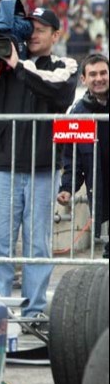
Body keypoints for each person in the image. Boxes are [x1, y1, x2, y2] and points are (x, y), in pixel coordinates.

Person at [0, 7, 78, 317]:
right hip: (2, 166)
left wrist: (19, 66)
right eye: (29, 27)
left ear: (55, 35)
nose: (32, 33)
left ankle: (33, 313)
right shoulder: (2, 66)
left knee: (37, 247)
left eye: (41, 29)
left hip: (42, 170)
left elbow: (59, 92)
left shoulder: (64, 64)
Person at [56, 53, 109, 258]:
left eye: (103, 73)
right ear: (83, 80)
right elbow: (72, 159)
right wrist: (67, 188)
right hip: (103, 196)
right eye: (93, 74)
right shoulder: (78, 113)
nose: (99, 78)